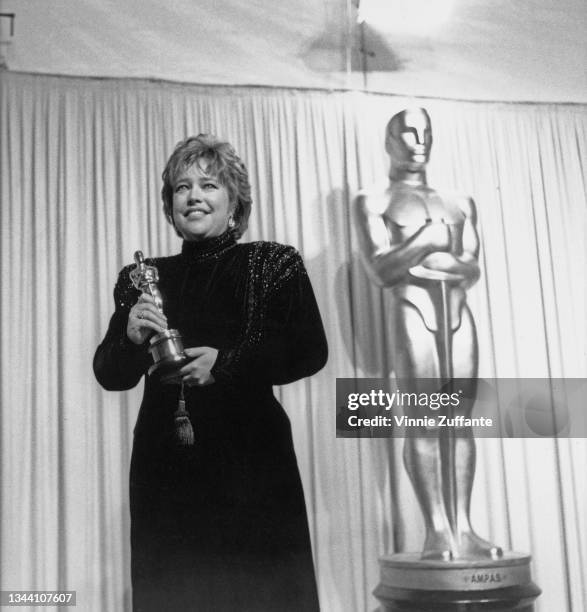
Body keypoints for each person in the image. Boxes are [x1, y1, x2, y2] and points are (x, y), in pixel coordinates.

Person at [94, 134, 327, 611]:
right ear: (170, 204)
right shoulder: (141, 278)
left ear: (234, 203)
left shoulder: (272, 262)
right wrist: (132, 338)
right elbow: (109, 374)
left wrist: (227, 363)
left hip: (253, 462)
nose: (193, 196)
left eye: (208, 185)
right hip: (167, 464)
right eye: (182, 187)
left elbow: (310, 350)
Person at [354, 108, 502, 561]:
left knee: (458, 422)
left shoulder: (461, 202)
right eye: (408, 132)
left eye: (427, 133)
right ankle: (437, 529)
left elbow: (471, 268)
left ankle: (464, 527)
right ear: (390, 140)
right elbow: (382, 268)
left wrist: (419, 258)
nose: (419, 141)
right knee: (422, 421)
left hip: (458, 315)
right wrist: (428, 242)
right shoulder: (371, 202)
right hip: (413, 313)